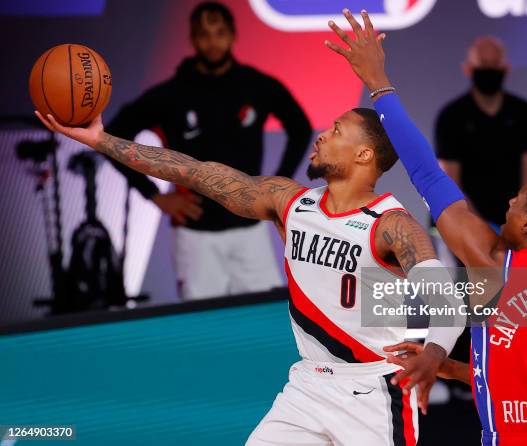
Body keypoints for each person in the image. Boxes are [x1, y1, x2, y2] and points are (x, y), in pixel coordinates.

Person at [35, 78, 463, 444]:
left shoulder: (392, 224)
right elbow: (193, 171)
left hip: (375, 390)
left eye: (336, 130)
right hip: (309, 385)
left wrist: (433, 352)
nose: (321, 135)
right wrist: (102, 141)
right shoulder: (289, 202)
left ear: (364, 155)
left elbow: (446, 300)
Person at [323, 9, 527, 445]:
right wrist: (449, 366)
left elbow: (428, 175)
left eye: (518, 202)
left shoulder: (495, 266)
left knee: (388, 291)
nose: (509, 201)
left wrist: (378, 82)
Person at [106, 1, 313, 299]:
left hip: (250, 230)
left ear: (232, 35)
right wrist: (153, 195)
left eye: (219, 33)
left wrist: (277, 185)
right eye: (203, 34)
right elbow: (114, 138)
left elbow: (300, 127)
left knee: (262, 323)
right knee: (204, 331)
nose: (212, 41)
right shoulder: (170, 94)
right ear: (192, 38)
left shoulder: (257, 86)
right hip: (195, 234)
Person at [435, 36, 527, 231]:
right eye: (483, 65)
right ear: (467, 68)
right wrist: (481, 231)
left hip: (513, 225)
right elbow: (450, 183)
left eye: (494, 65)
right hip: (462, 223)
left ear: (506, 68)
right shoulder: (451, 117)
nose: (489, 71)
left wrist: (515, 224)